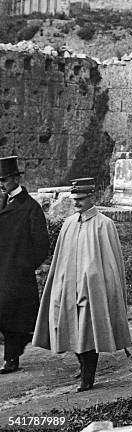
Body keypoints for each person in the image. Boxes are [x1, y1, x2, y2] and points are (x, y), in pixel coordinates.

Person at [33, 178, 132, 392]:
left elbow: (111, 262)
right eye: (74, 199)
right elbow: (61, 258)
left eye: (81, 199)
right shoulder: (68, 224)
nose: (77, 203)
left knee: (89, 331)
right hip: (68, 287)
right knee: (70, 329)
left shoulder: (104, 224)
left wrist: (103, 285)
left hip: (92, 289)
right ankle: (83, 365)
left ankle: (88, 377)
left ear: (91, 198)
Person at [0, 156, 49, 374]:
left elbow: (42, 245)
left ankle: (11, 359)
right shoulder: (3, 202)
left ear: (14, 179)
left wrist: (23, 266)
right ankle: (13, 353)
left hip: (17, 275)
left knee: (13, 317)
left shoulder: (30, 207)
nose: (1, 184)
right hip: (2, 271)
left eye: (3, 180)